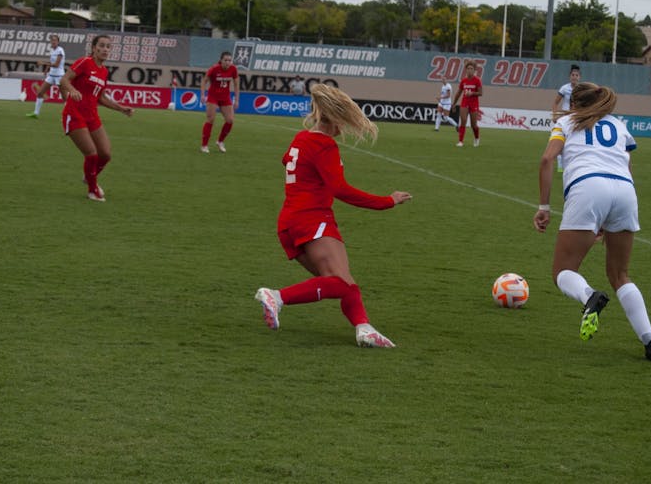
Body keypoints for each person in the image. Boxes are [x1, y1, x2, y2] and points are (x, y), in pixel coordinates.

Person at [254, 84, 412, 347]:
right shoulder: (324, 145)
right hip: (312, 220)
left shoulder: (301, 138)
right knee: (339, 282)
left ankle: (364, 328)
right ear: (334, 118)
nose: (345, 129)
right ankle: (277, 296)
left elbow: (287, 160)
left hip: (289, 223)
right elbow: (341, 190)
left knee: (344, 283)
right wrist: (387, 201)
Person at [533, 82, 651, 361]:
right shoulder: (618, 125)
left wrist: (544, 206)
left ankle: (589, 296)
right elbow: (627, 165)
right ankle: (650, 341)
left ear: (574, 103)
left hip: (588, 188)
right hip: (625, 191)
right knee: (620, 275)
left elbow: (547, 159)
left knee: (563, 271)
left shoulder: (567, 122)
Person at [59, 35, 134, 202]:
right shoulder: (84, 62)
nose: (105, 49)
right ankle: (92, 190)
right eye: (102, 45)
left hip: (92, 116)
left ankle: (89, 176)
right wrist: (72, 90)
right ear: (94, 48)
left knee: (105, 154)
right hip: (74, 113)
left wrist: (121, 109)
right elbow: (64, 80)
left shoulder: (104, 71)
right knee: (91, 154)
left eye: (108, 46)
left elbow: (101, 98)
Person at [200, 51, 240, 153]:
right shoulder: (214, 69)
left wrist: (236, 100)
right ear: (221, 60)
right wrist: (202, 95)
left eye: (229, 60)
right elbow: (204, 81)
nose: (228, 62)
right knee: (211, 119)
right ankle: (204, 145)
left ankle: (220, 141)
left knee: (230, 120)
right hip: (213, 97)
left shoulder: (233, 69)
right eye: (225, 60)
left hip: (225, 98)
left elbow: (236, 84)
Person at [26, 34, 65, 118]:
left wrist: (43, 63)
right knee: (40, 93)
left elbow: (57, 65)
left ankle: (69, 115)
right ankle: (36, 113)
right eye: (52, 40)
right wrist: (46, 69)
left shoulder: (60, 50)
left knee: (65, 97)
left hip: (59, 76)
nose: (53, 42)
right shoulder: (52, 51)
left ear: (58, 42)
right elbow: (51, 62)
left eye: (55, 40)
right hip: (51, 75)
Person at [551, 64, 581, 172]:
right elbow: (555, 102)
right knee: (560, 139)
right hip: (565, 117)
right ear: (570, 76)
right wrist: (555, 114)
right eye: (573, 75)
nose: (574, 77)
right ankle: (560, 166)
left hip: (576, 118)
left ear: (579, 77)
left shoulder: (581, 89)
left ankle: (572, 163)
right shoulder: (564, 88)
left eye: (576, 75)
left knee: (573, 139)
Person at [451, 60, 483, 147]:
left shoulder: (477, 80)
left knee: (473, 125)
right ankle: (460, 141)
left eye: (471, 68)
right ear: (466, 69)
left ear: (474, 70)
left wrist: (472, 93)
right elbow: (458, 93)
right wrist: (454, 103)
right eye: (468, 68)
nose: (469, 70)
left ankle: (476, 138)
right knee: (463, 121)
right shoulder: (463, 81)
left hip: (474, 104)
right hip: (464, 103)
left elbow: (480, 93)